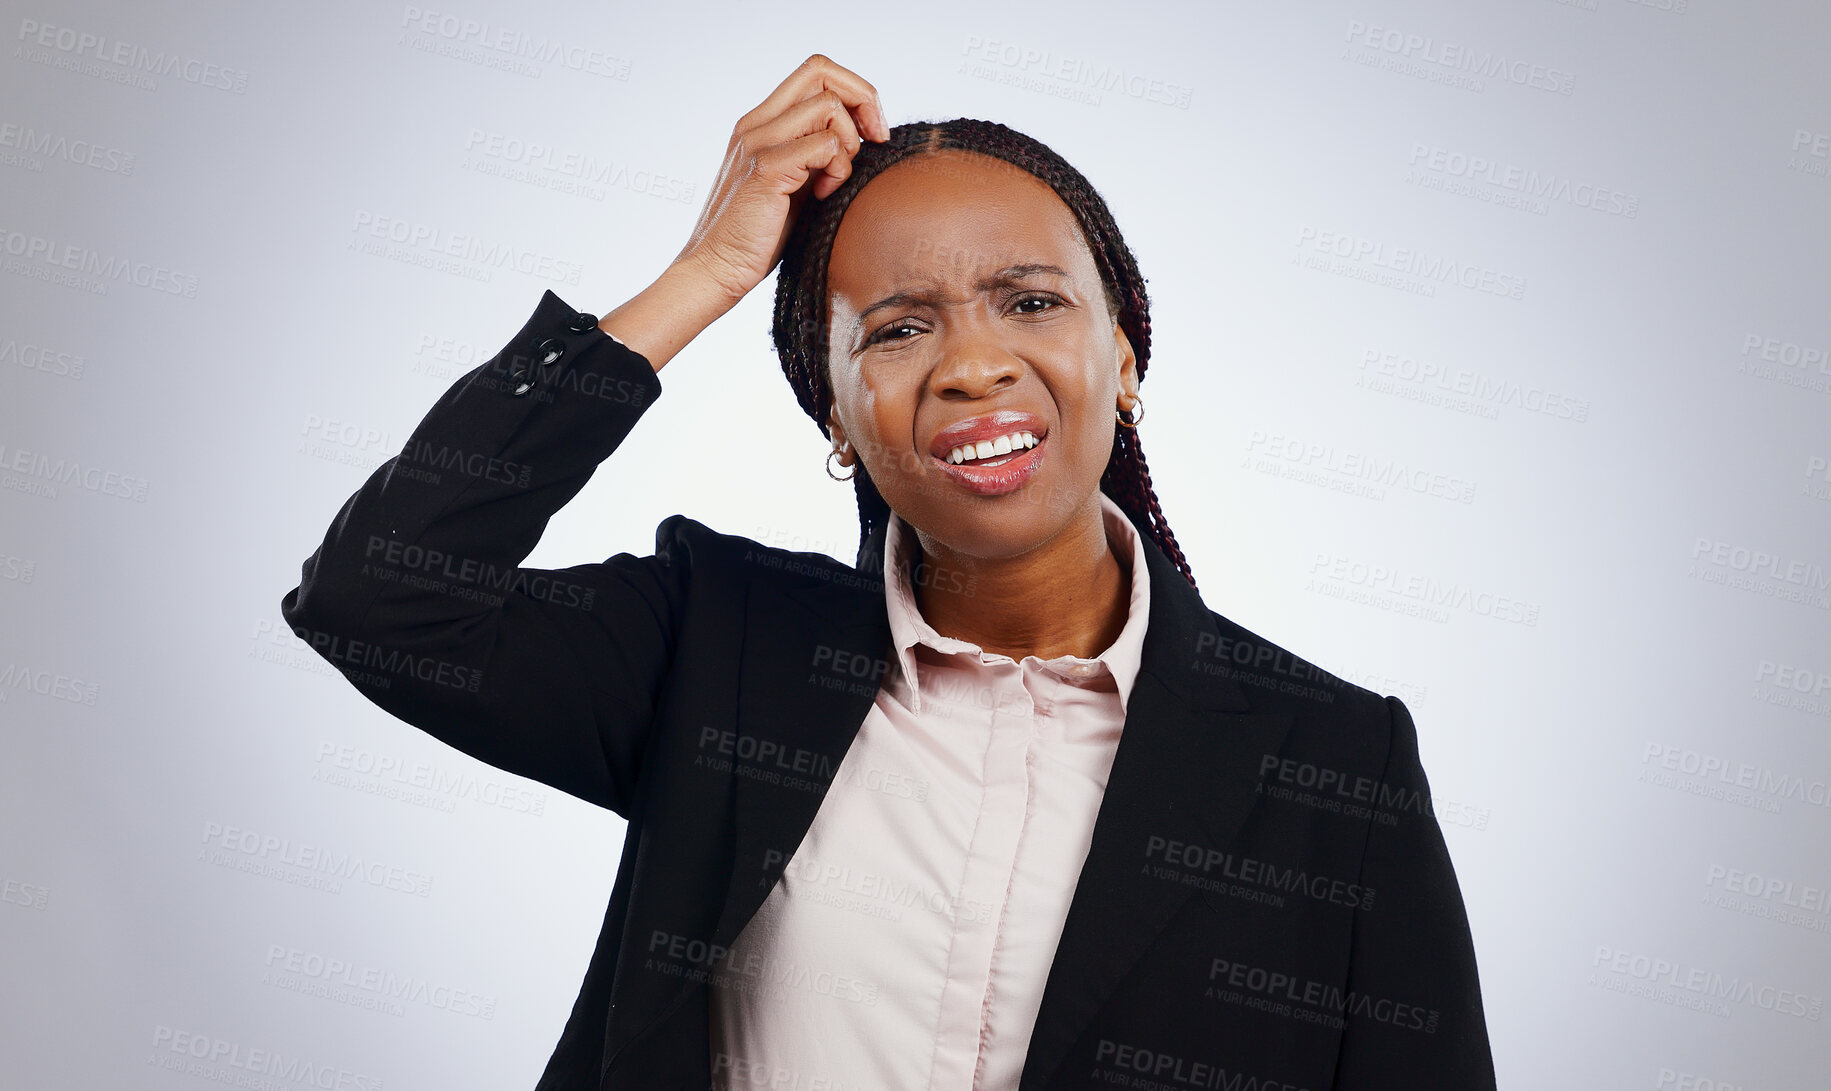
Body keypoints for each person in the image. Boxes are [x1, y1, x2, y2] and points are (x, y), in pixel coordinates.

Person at [281, 53, 1495, 1091]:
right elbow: (380, 593)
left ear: (1123, 353)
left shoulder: (1334, 763)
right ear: (837, 416)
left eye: (1029, 300)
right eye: (898, 329)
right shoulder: (716, 648)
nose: (973, 366)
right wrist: (705, 271)